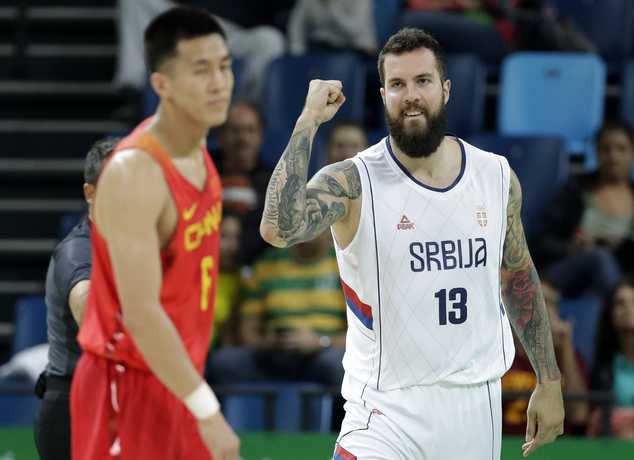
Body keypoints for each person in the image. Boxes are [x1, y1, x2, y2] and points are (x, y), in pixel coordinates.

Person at [260, 27, 564, 459]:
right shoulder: (353, 181)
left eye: (422, 81)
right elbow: (278, 227)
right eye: (398, 85)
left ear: (445, 88)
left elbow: (518, 276)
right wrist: (307, 122)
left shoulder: (495, 176)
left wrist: (548, 381)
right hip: (384, 410)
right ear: (383, 95)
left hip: (475, 405)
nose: (411, 95)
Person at [71, 6, 240, 460]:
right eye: (200, 70)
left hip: (178, 379)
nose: (219, 82)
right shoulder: (135, 173)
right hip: (125, 383)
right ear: (162, 84)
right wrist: (207, 409)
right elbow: (141, 313)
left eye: (224, 66)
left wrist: (194, 395)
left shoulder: (200, 151)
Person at [32, 138, 117, 460]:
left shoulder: (137, 247)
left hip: (117, 401)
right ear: (90, 194)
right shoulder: (78, 250)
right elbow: (89, 312)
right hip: (73, 410)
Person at [206, 229, 346, 389]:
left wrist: (319, 342)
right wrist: (267, 342)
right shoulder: (266, 263)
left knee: (338, 366)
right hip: (272, 355)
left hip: (321, 356)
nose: (307, 228)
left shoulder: (345, 264)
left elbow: (363, 336)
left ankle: (333, 414)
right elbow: (247, 333)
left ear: (330, 227)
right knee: (222, 363)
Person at [534, 119, 634, 298]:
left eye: (621, 149)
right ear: (596, 152)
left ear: (632, 152)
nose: (613, 156)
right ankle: (622, 302)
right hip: (569, 270)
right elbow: (541, 242)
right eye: (606, 149)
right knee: (599, 257)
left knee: (593, 295)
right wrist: (570, 246)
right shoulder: (573, 192)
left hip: (616, 277)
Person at [502, 276, 589, 436]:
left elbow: (578, 415)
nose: (540, 307)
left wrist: (565, 349)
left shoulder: (568, 356)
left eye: (547, 301)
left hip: (555, 450)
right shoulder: (500, 353)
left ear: (557, 310)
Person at [215, 101, 274, 263]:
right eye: (235, 130)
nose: (242, 138)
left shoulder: (276, 180)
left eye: (250, 130)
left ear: (261, 136)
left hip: (258, 269)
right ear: (220, 135)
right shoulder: (202, 171)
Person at [588, 277, 634, 438]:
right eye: (620, 303)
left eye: (633, 301)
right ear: (610, 314)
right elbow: (596, 420)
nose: (628, 308)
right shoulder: (603, 368)